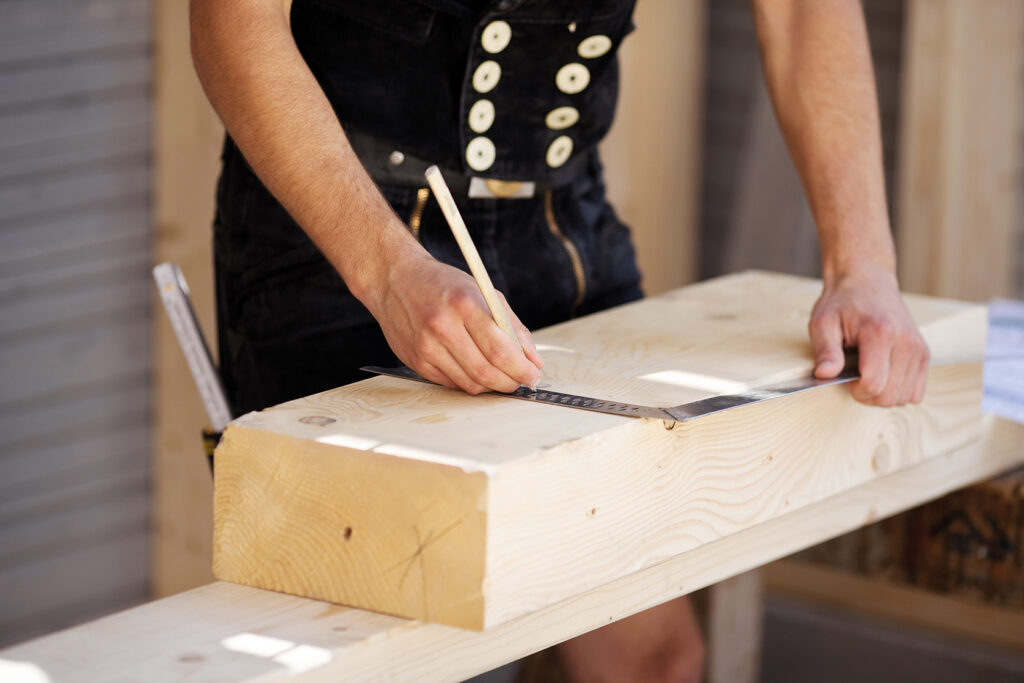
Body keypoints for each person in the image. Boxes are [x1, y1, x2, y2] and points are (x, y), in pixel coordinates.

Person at [190, 1, 930, 680]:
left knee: (655, 662)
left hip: (564, 219)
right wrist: (387, 275)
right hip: (343, 229)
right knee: (402, 656)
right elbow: (234, 25)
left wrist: (863, 262)